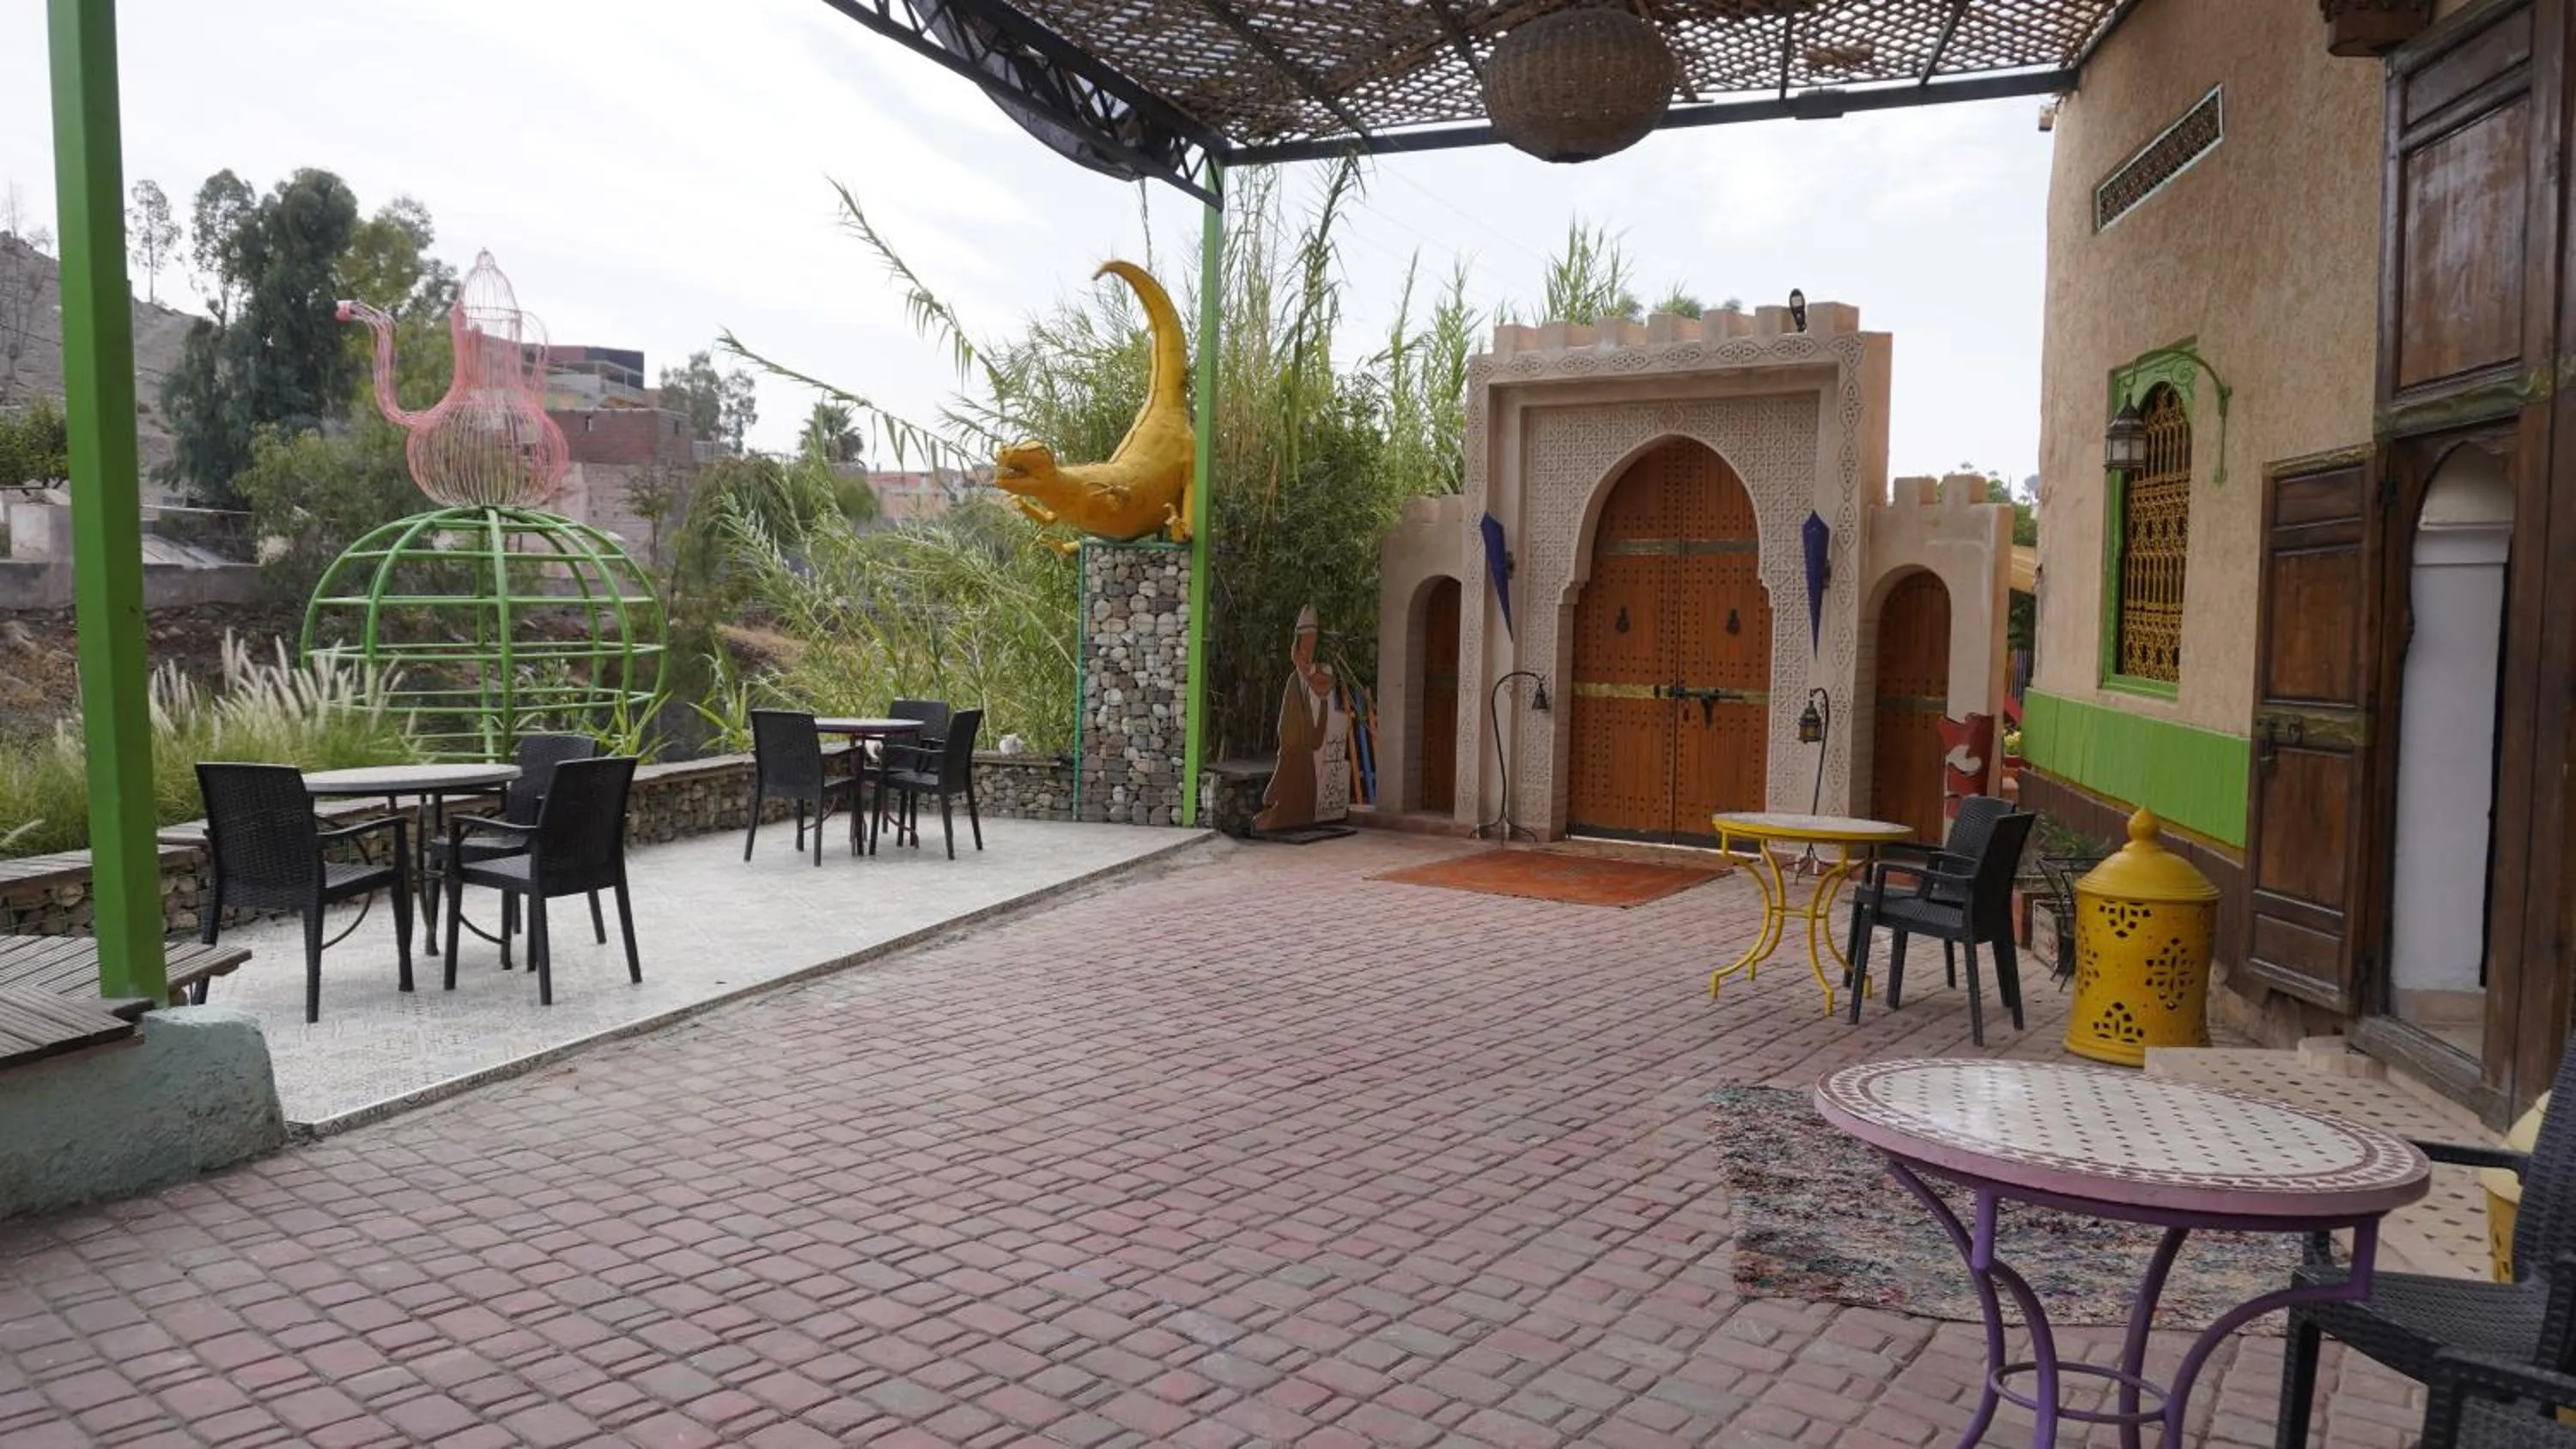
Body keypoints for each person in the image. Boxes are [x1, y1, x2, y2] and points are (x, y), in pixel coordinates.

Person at [1254, 605, 1350, 832]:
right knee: (1283, 808)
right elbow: (1287, 732)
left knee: (1303, 806)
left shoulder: (1314, 683)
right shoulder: (1293, 684)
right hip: (1293, 762)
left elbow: (1316, 739)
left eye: (1312, 644)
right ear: (1297, 646)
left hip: (1306, 767)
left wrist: (1325, 702)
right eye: (1304, 644)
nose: (1308, 650)